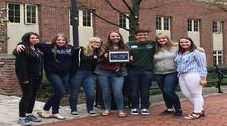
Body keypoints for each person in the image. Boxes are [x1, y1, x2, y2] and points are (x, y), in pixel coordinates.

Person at [16, 33, 73, 120]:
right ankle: (45, 110)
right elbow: (27, 42)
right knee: (60, 91)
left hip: (64, 74)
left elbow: (81, 51)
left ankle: (55, 112)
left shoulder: (70, 48)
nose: (60, 41)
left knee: (59, 93)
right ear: (55, 40)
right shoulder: (48, 47)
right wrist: (19, 44)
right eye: (58, 40)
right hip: (52, 73)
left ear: (66, 41)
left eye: (63, 40)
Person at [95, 32, 129, 117]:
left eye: (117, 36)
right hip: (103, 71)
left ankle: (121, 110)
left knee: (117, 91)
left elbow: (129, 56)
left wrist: (129, 58)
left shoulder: (125, 46)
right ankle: (107, 109)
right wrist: (104, 56)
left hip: (118, 71)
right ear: (109, 37)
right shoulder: (104, 46)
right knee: (106, 91)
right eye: (112, 36)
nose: (115, 37)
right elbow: (97, 58)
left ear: (120, 37)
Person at [69, 37, 103, 117]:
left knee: (91, 93)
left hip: (89, 75)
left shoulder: (98, 52)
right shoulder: (81, 49)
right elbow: (72, 60)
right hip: (78, 73)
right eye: (95, 41)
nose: (97, 43)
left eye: (99, 42)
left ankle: (90, 109)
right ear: (90, 42)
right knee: (74, 92)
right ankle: (73, 109)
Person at [14, 32, 43, 125]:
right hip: (27, 77)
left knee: (33, 96)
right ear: (27, 39)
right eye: (32, 38)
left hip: (37, 76)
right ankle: (21, 118)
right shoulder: (22, 49)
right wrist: (24, 78)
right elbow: (20, 66)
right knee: (26, 96)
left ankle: (29, 114)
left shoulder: (38, 48)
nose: (35, 39)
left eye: (36, 38)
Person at [175, 37, 207, 120]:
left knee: (196, 94)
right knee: (185, 93)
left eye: (186, 42)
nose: (184, 43)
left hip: (193, 75)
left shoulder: (197, 52)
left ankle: (196, 112)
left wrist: (203, 78)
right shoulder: (180, 53)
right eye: (181, 42)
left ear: (191, 42)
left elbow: (202, 66)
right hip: (182, 75)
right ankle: (200, 110)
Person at [127, 29, 155, 115]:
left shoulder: (152, 44)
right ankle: (134, 107)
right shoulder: (129, 44)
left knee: (145, 90)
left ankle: (145, 107)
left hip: (147, 71)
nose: (142, 36)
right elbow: (121, 52)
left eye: (144, 35)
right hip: (133, 71)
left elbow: (168, 44)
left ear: (148, 36)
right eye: (140, 35)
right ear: (136, 36)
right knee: (134, 89)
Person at [153, 33, 182, 116]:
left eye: (163, 38)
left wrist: (199, 48)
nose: (161, 40)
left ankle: (178, 109)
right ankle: (169, 108)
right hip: (158, 73)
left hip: (172, 72)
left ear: (167, 38)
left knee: (169, 91)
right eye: (159, 39)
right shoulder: (155, 49)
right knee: (164, 92)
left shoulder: (175, 47)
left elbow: (189, 47)